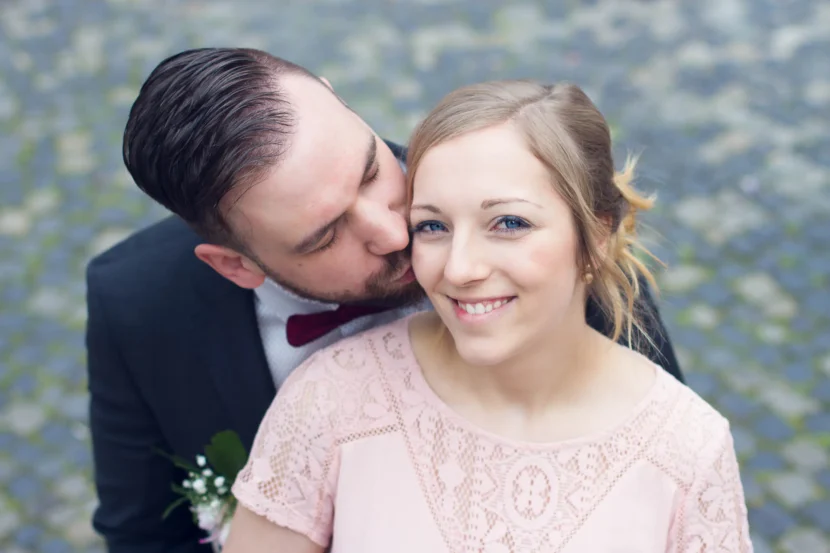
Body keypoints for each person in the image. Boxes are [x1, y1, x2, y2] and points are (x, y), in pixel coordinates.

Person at [85, 48, 683, 553]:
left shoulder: (529, 220)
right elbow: (142, 534)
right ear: (236, 266)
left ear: (336, 98)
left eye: (372, 170)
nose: (394, 232)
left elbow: (658, 463)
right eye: (325, 237)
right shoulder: (138, 306)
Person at [224, 80, 751, 553]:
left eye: (509, 222)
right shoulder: (330, 400)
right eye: (432, 227)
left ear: (596, 235)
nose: (460, 268)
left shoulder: (687, 449)